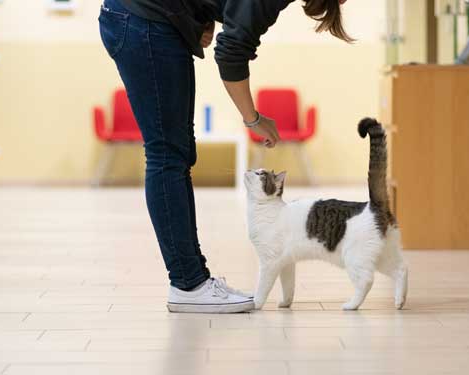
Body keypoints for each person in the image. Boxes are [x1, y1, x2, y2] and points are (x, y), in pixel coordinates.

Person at [98, 0, 353, 313]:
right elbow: (231, 52)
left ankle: (191, 280)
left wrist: (200, 15)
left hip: (146, 19)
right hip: (145, 21)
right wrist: (253, 118)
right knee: (167, 156)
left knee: (174, 155)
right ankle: (188, 284)